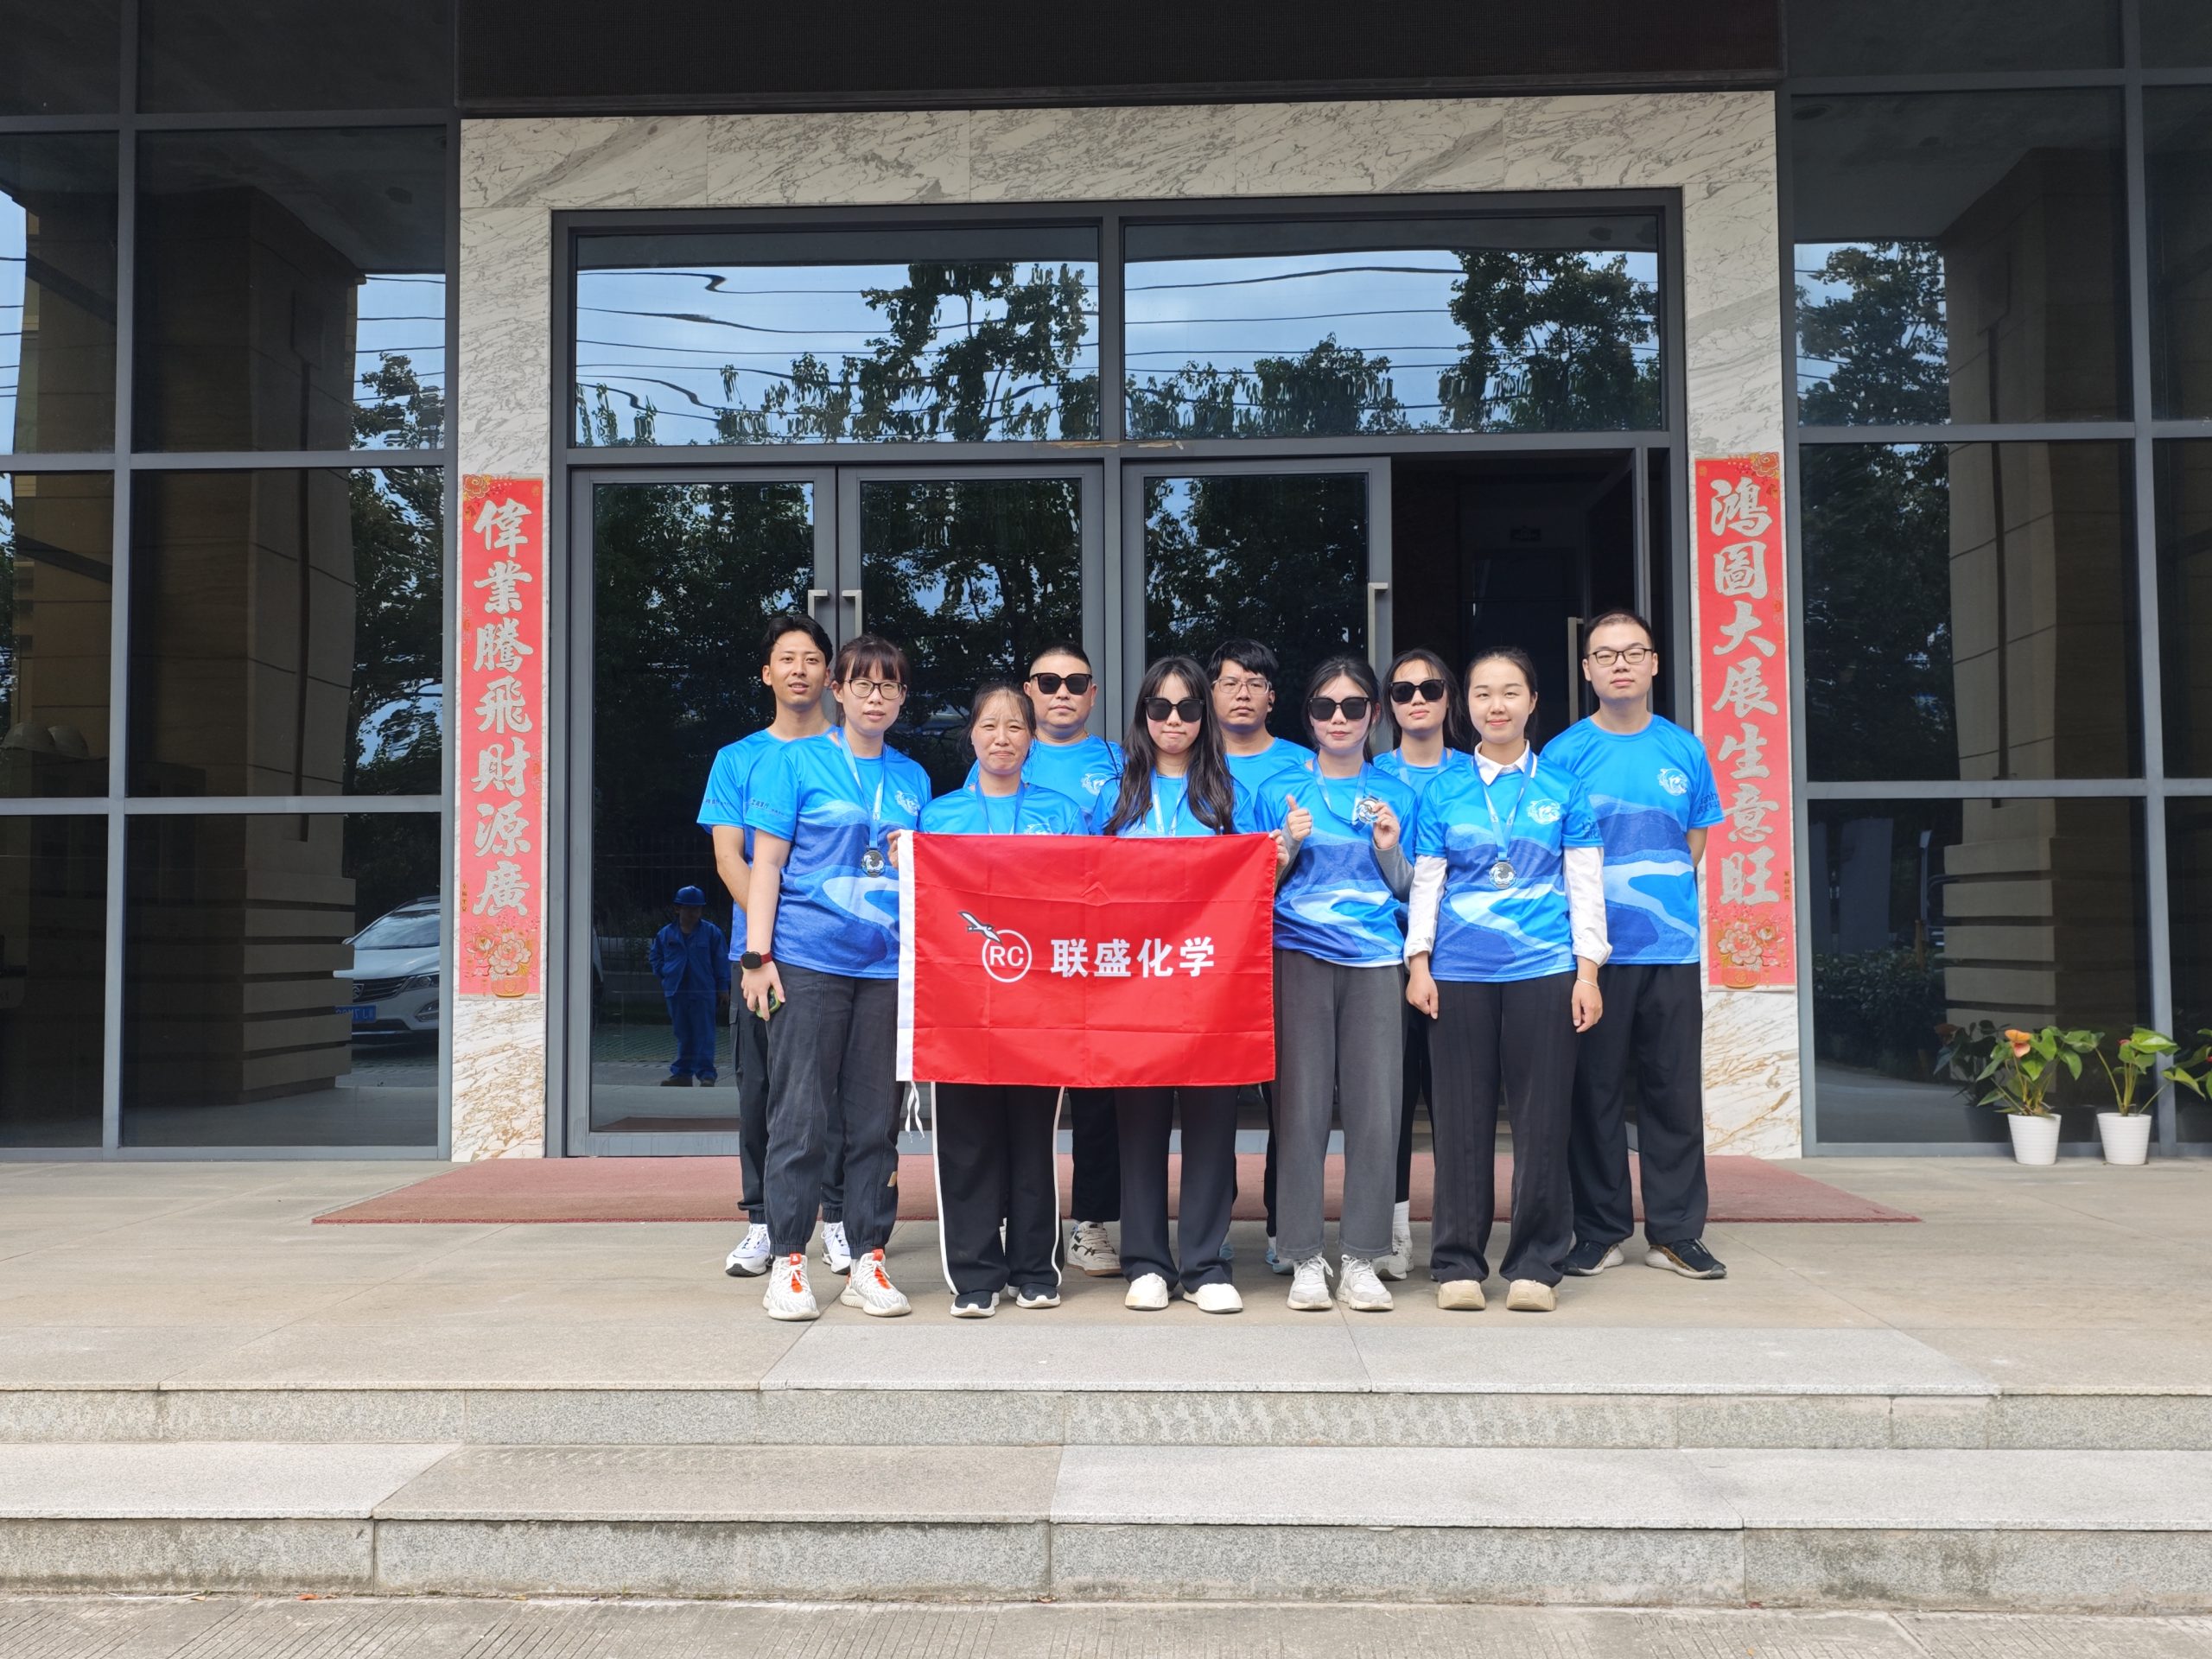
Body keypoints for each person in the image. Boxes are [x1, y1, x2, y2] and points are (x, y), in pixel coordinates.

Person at [1404, 647, 1609, 1313]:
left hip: (1545, 971)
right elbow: (1427, 884)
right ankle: (1457, 1264)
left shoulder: (1563, 789)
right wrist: (1418, 963)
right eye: (1484, 693)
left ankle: (1536, 1265)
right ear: (1466, 706)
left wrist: (1588, 972)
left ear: (1532, 702)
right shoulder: (1443, 791)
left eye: (1510, 692)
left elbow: (1585, 885)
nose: (1497, 705)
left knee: (1542, 1123)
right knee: (1459, 1124)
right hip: (1457, 974)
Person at [740, 635, 933, 1322]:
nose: (875, 697)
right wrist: (757, 957)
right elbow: (765, 865)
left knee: (875, 1123)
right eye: (863, 684)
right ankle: (789, 1262)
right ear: (838, 690)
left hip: (886, 968)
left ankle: (868, 1258)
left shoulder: (914, 779)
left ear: (902, 698)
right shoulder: (793, 763)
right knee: (800, 1117)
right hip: (808, 960)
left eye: (889, 685)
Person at [1543, 610, 1729, 1282]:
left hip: (1671, 953)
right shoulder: (1564, 754)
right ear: (1586, 670)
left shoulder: (1684, 749)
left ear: (1654, 663)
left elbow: (1695, 837)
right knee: (1592, 1094)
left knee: (1672, 1093)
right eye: (1605, 654)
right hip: (1593, 957)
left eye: (1632, 652)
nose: (1619, 664)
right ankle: (1599, 1231)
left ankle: (1676, 1233)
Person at [1098, 655, 1272, 1314]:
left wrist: (1279, 858)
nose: (1174, 720)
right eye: (1160, 707)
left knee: (1211, 1126)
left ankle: (1204, 1265)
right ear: (1142, 713)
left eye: (1188, 707)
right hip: (1133, 987)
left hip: (1210, 986)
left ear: (1205, 714)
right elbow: (1082, 886)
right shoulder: (1113, 796)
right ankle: (1145, 1261)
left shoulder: (1231, 796)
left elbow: (1256, 888)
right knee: (1139, 1127)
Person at [910, 681, 1090, 1317]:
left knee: (1032, 1137)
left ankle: (1035, 1268)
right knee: (967, 1138)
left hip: (1039, 1002)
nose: (1002, 738)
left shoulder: (1061, 813)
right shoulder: (938, 817)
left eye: (1015, 727)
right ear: (972, 736)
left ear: (1032, 739)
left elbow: (1084, 899)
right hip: (959, 1006)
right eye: (989, 726)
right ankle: (976, 1274)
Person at [1254, 657, 1417, 1313]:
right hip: (1297, 956)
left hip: (1377, 960)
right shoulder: (1280, 791)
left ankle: (1361, 1258)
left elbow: (1412, 888)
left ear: (1373, 715)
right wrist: (1284, 850)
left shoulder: (1398, 794)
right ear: (1310, 716)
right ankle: (1302, 1255)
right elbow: (1253, 890)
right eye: (1326, 707)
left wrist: (1388, 847)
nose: (1339, 719)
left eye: (1353, 707)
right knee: (1300, 1109)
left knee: (1376, 1111)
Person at [962, 640, 1127, 1279]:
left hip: (1082, 954)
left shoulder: (1120, 761)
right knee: (1009, 1099)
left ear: (1093, 693)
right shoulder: (974, 783)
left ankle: (1091, 1222)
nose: (1062, 691)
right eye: (1048, 681)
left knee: (1095, 1095)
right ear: (1029, 693)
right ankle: (1007, 1223)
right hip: (1002, 964)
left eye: (1075, 682)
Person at [700, 613, 838, 1281]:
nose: (799, 669)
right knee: (760, 1088)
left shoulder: (851, 754)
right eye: (787, 658)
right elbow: (730, 856)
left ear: (830, 675)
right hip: (759, 958)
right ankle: (762, 1220)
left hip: (835, 956)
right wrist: (766, 941)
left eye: (811, 658)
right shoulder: (738, 759)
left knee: (836, 1092)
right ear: (766, 674)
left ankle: (839, 1218)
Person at [1207, 638, 1312, 1269]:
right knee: (1211, 1096)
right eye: (1229, 682)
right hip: (1211, 959)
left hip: (1288, 949)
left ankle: (1285, 1225)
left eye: (1254, 683)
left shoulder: (1305, 766)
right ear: (1211, 694)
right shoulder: (1191, 761)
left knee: (1290, 1098)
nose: (1241, 694)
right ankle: (1210, 1224)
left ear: (1272, 696)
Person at [1373, 647, 1477, 1279]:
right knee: (1390, 1101)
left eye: (1430, 689)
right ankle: (1390, 1231)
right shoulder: (1367, 776)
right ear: (1386, 705)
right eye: (1403, 690)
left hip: (1458, 960)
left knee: (1453, 1103)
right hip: (1380, 958)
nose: (1417, 700)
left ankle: (1455, 1235)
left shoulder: (1474, 774)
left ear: (1449, 699)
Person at [649, 885, 730, 1087]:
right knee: (683, 1033)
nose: (693, 913)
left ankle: (706, 1074)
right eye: (689, 908)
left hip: (703, 991)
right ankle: (682, 1074)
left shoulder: (711, 933)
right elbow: (655, 957)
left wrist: (723, 988)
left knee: (704, 1033)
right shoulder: (666, 934)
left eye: (697, 909)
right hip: (676, 990)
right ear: (678, 909)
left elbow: (721, 961)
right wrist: (665, 974)